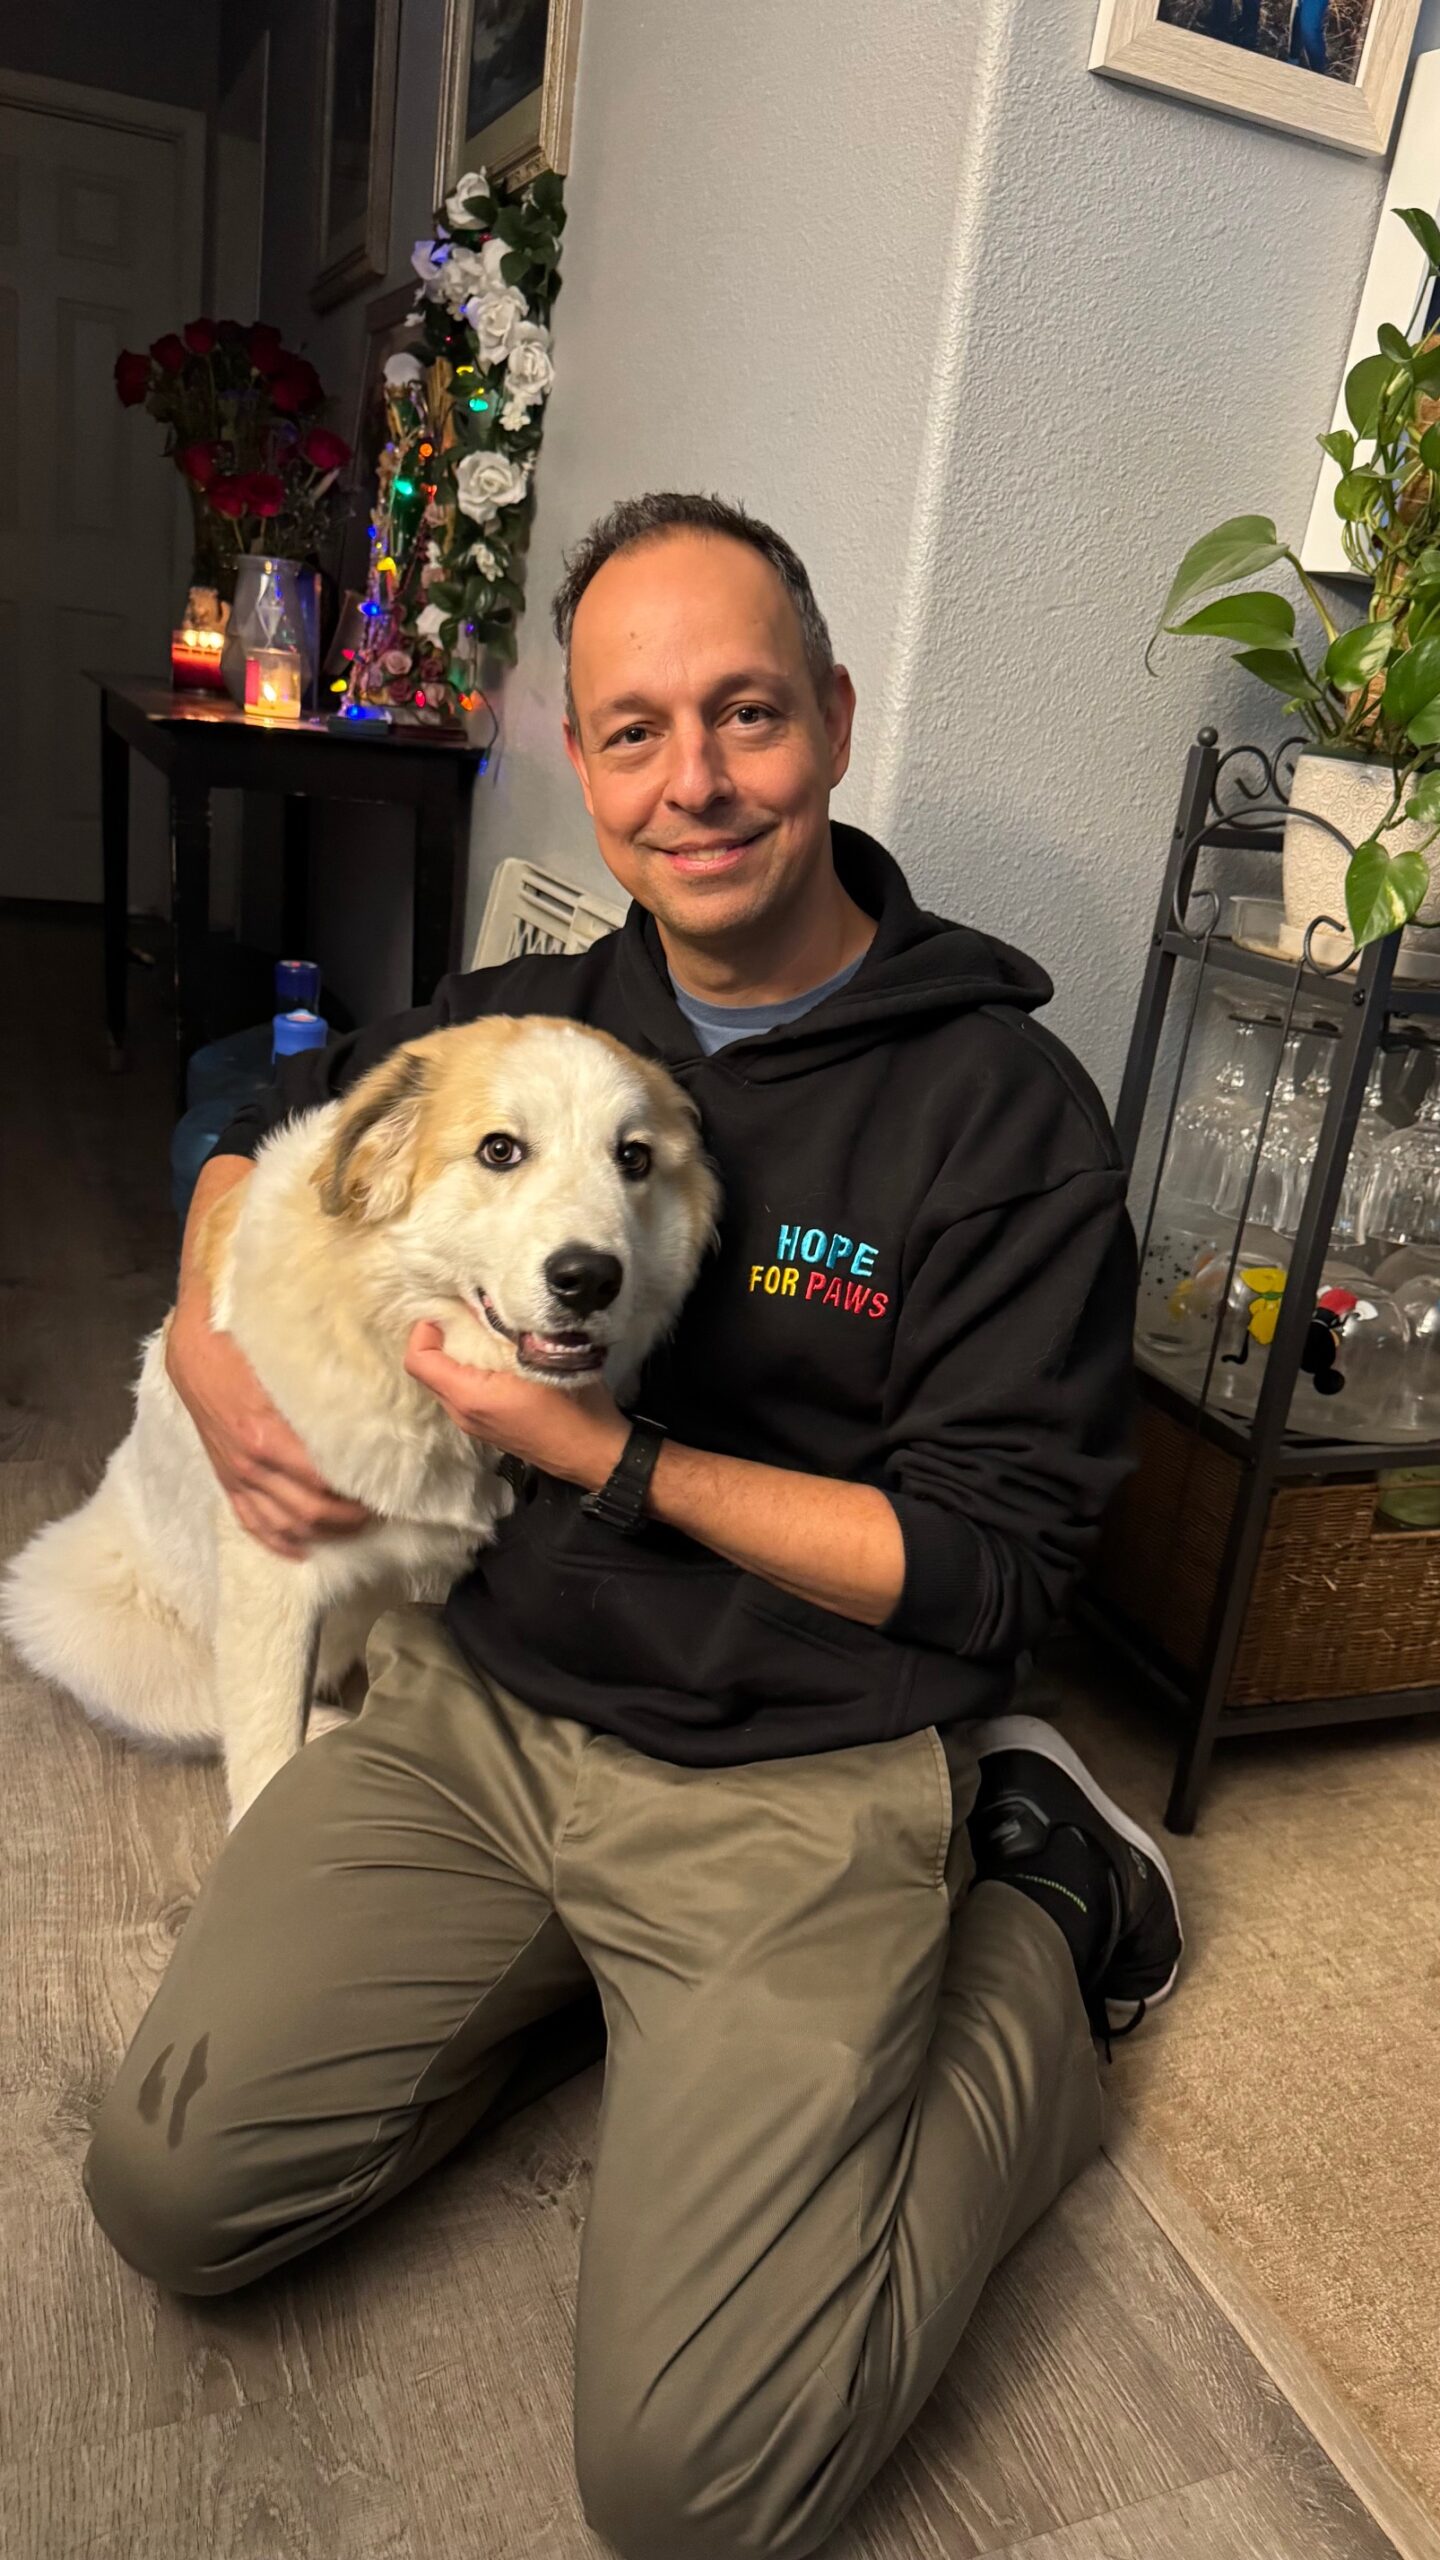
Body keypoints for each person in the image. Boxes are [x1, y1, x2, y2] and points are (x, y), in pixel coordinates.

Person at [84, 493, 1181, 2560]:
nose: (695, 780)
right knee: (170, 2185)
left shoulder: (1001, 1114)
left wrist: (617, 1461)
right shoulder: (533, 1008)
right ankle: (573, 1987)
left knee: (698, 2481)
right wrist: (207, 1339)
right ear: (578, 761)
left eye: (746, 714)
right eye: (636, 729)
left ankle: (1045, 1921)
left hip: (793, 1767)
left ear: (835, 724)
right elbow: (264, 1126)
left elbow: (996, 1566)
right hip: (492, 1713)